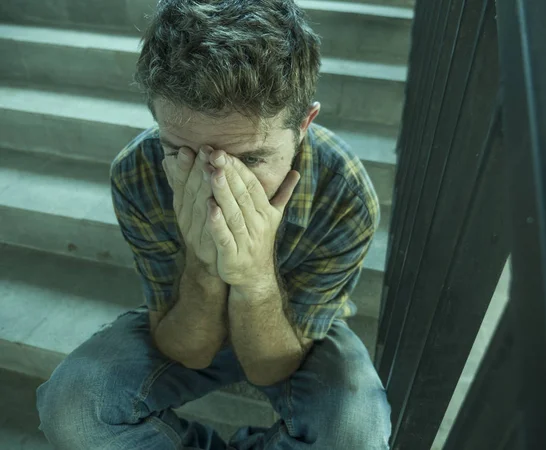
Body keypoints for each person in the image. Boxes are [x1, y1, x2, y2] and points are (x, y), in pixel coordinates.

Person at [36, 1, 391, 448]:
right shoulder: (138, 172)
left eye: (251, 159)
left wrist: (256, 276)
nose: (216, 185)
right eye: (182, 153)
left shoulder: (345, 192)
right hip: (187, 316)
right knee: (72, 409)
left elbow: (272, 366)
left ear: (304, 124)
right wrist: (203, 264)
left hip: (294, 329)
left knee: (355, 434)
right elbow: (187, 350)